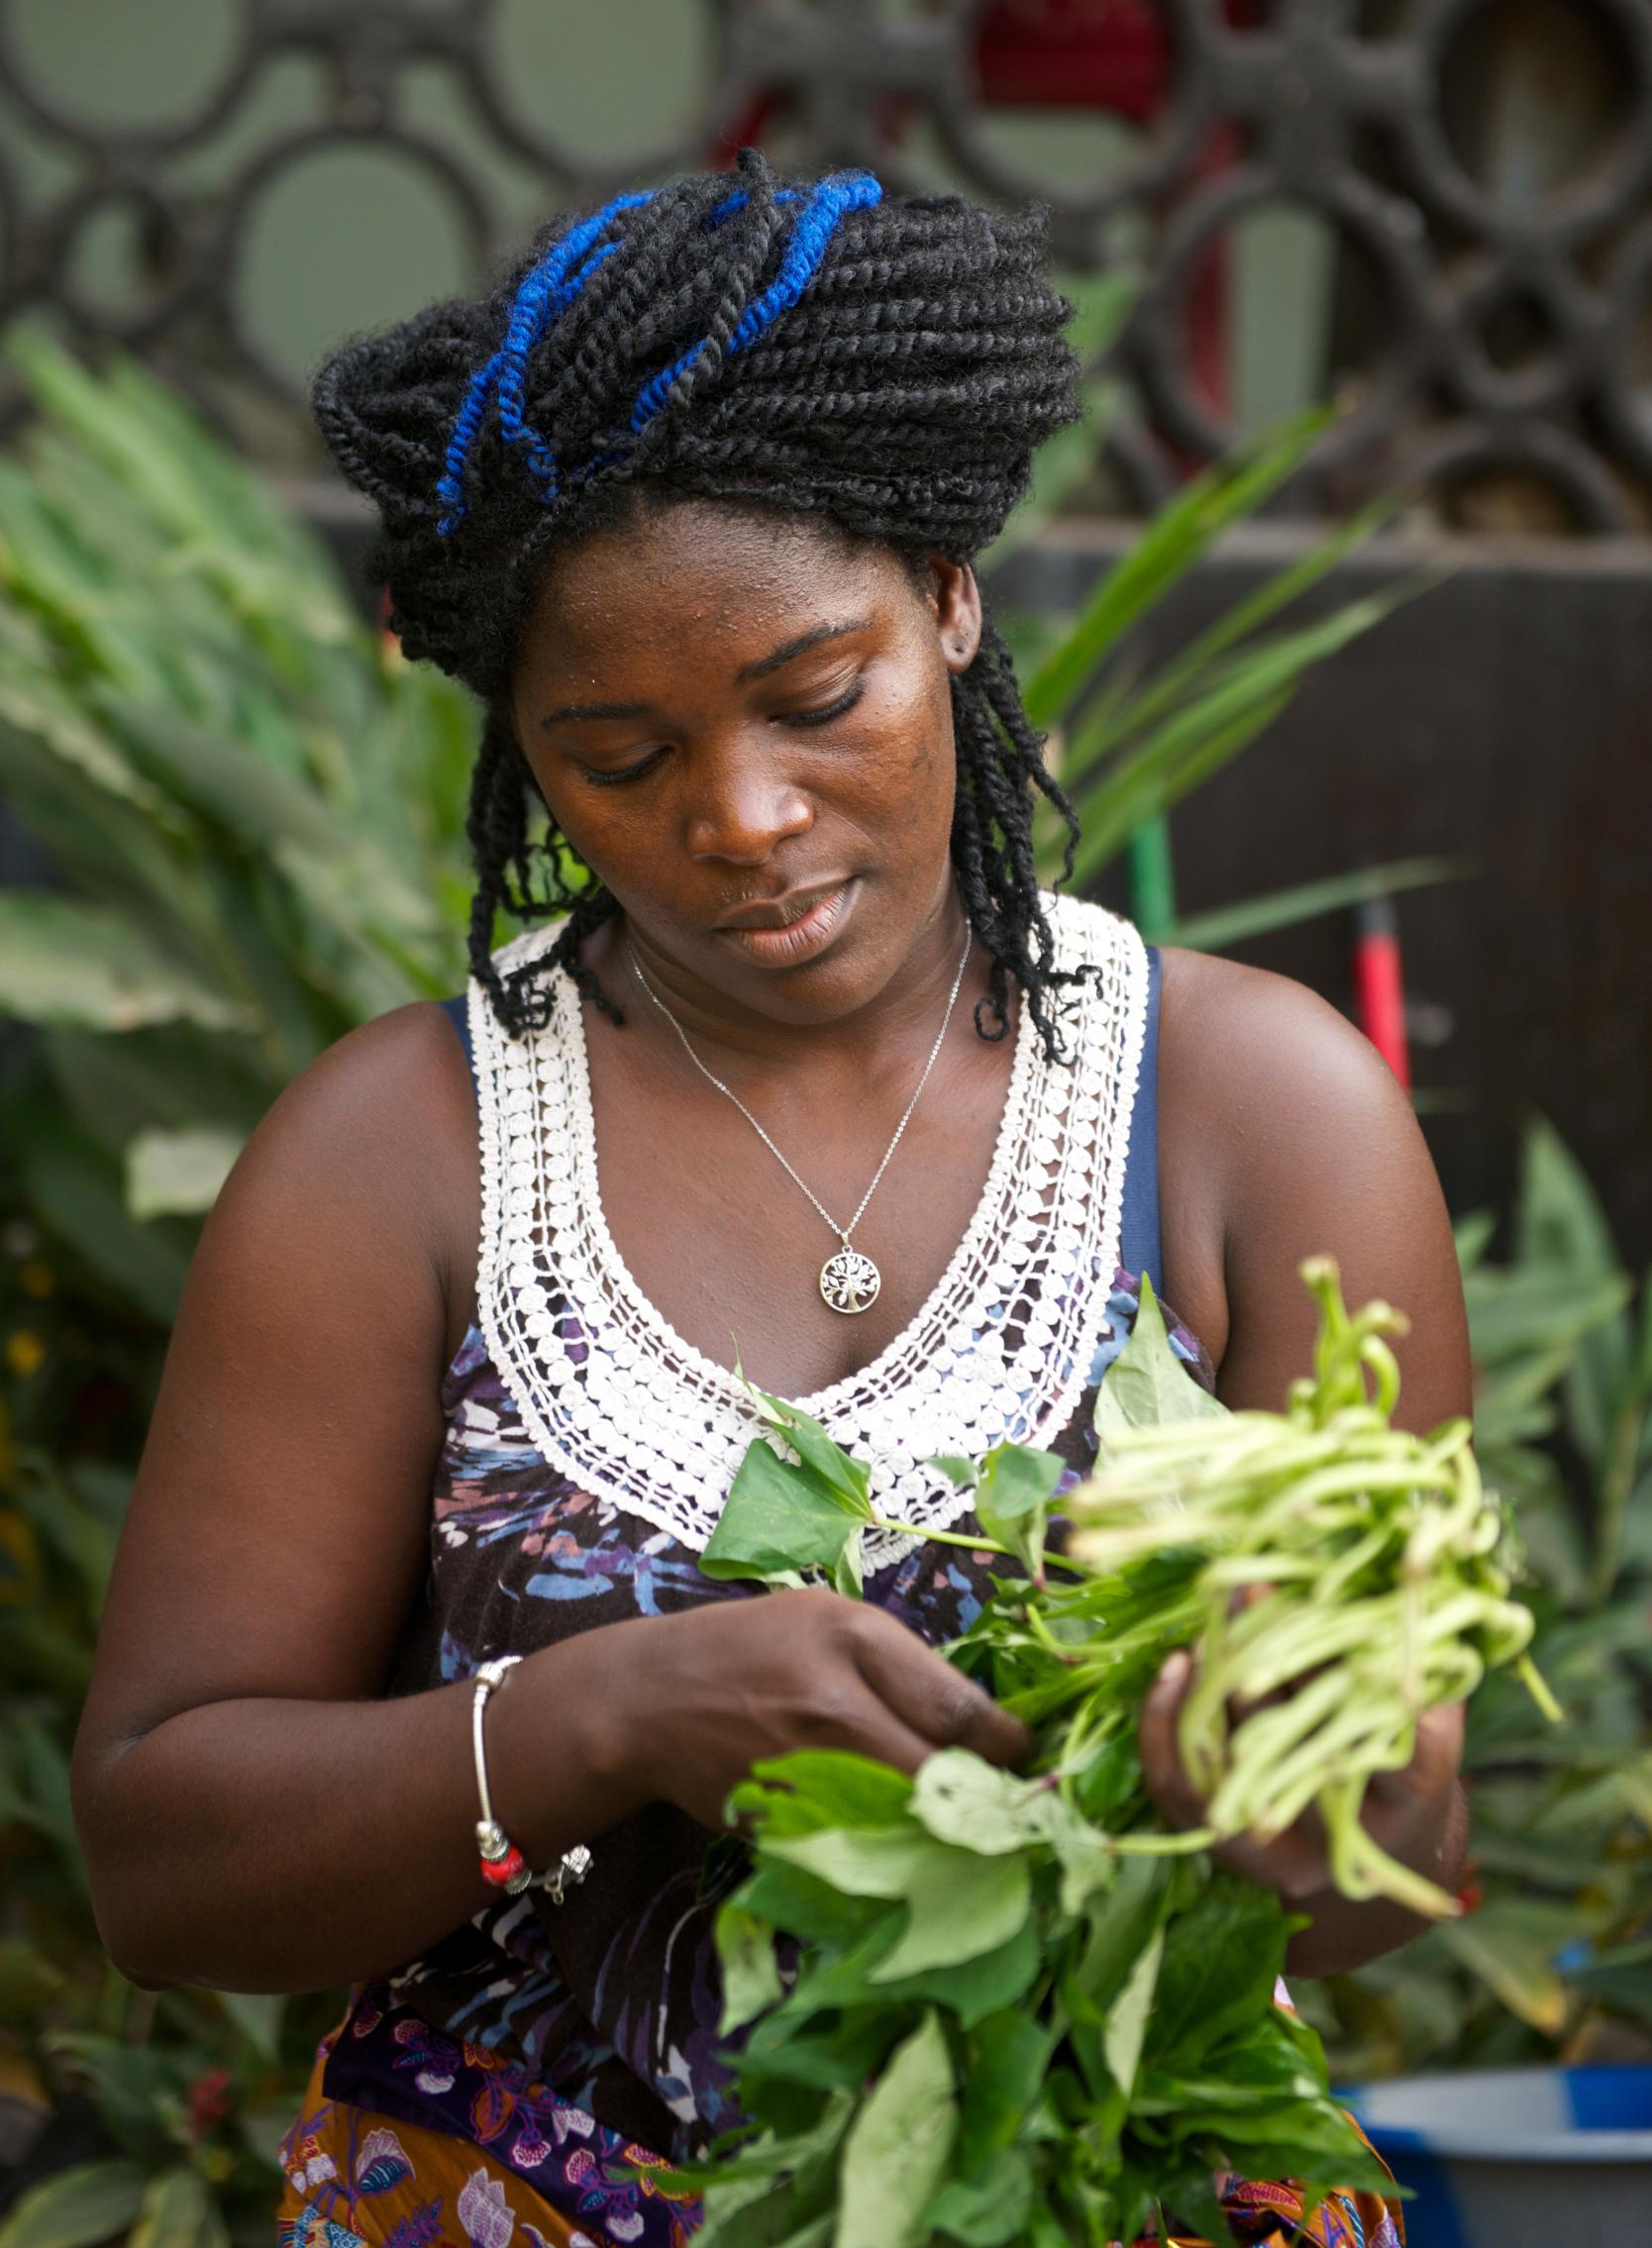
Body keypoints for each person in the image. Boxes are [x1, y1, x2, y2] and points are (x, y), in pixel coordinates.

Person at [71, 153, 1468, 2248]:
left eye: (819, 698)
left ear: (948, 596)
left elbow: (1393, 1883)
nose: (740, 816)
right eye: (615, 751)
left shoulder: (1251, 1111)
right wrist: (603, 1712)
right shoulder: (402, 1151)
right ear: (522, 757)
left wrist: (1297, 1761)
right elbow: (165, 1865)